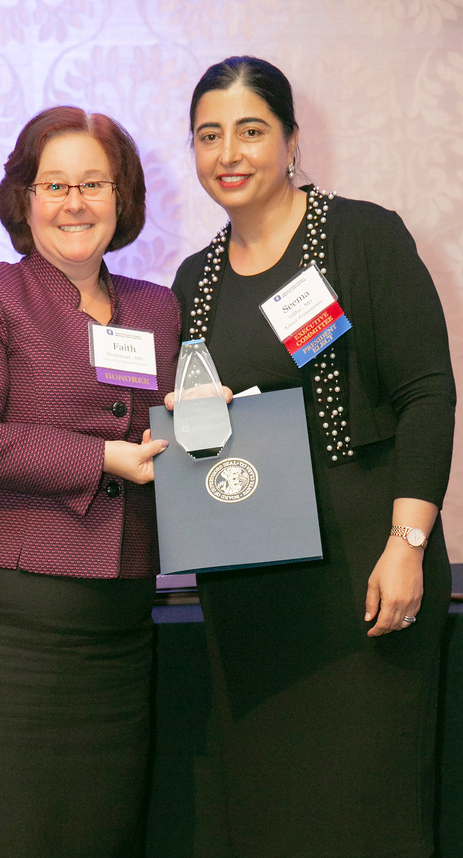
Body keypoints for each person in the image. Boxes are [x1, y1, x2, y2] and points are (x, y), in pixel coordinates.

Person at [169, 56, 456, 858]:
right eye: (209, 134)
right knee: (268, 819)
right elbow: (200, 439)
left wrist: (408, 548)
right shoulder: (195, 279)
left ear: (291, 139)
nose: (229, 152)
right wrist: (200, 420)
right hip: (253, 599)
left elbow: (428, 394)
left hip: (366, 579)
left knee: (364, 814)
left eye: (251, 130)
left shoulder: (362, 236)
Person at [0, 105, 181, 858]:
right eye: (54, 183)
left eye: (93, 183)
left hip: (117, 624)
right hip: (1, 620)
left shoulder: (158, 309)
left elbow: (166, 427)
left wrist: (200, 415)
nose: (74, 202)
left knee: (103, 831)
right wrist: (101, 458)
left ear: (121, 198)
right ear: (23, 199)